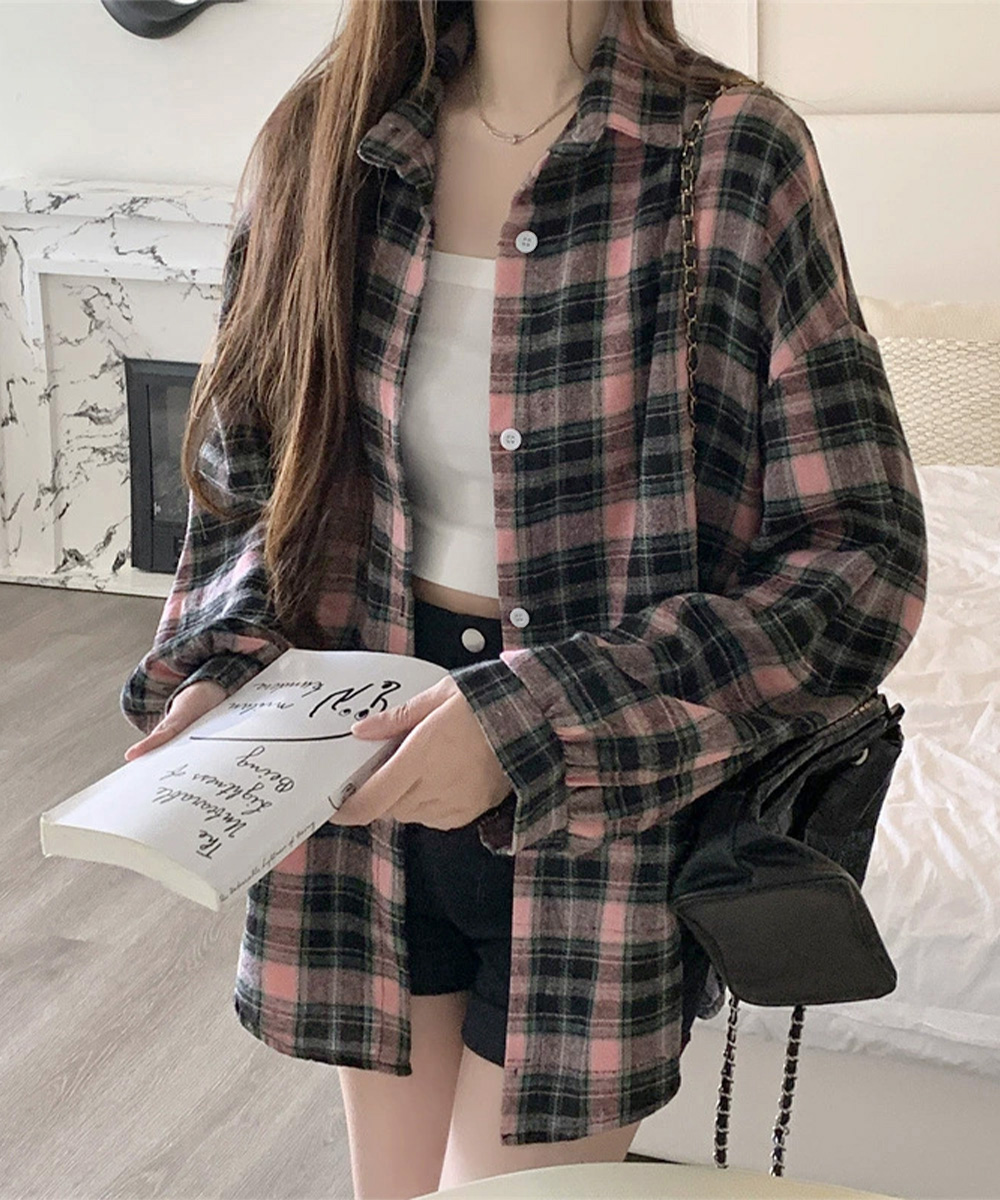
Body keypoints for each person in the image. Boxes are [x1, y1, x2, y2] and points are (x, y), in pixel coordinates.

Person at [120, 1, 928, 1196]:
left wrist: (527, 724)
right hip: (359, 785)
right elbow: (248, 484)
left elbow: (858, 564)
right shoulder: (320, 142)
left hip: (600, 807)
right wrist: (220, 661)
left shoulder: (731, 156)